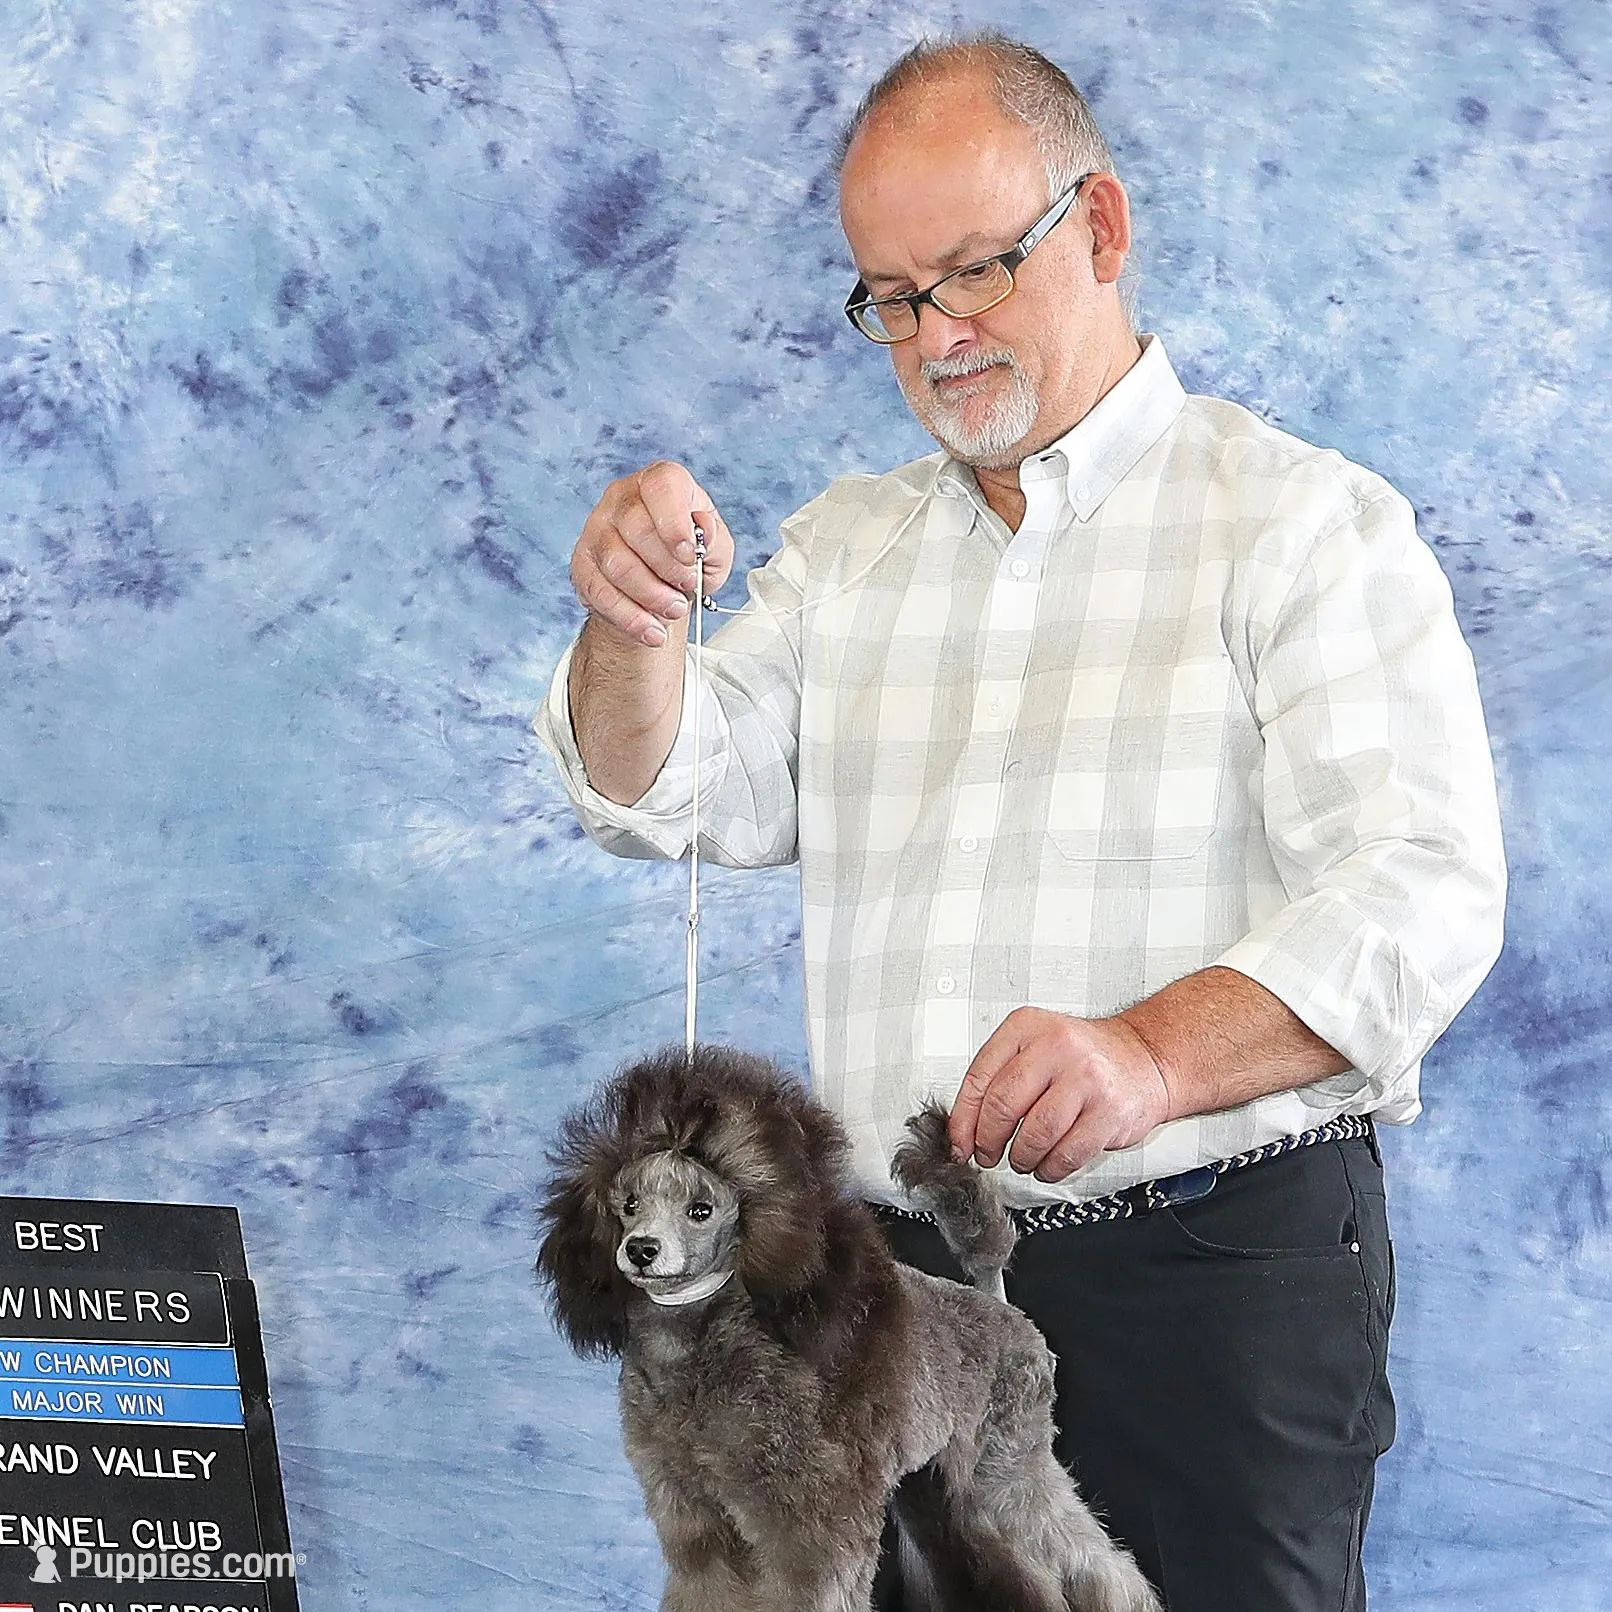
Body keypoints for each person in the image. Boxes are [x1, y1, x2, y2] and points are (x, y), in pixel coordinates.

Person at [535, 31, 1506, 1612]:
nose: (939, 333)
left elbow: (1424, 895)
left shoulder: (1308, 527)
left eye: (978, 272)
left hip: (1213, 1280)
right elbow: (663, 788)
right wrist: (634, 627)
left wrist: (1152, 1054)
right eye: (895, 298)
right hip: (887, 1295)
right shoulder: (844, 551)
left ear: (1103, 229)